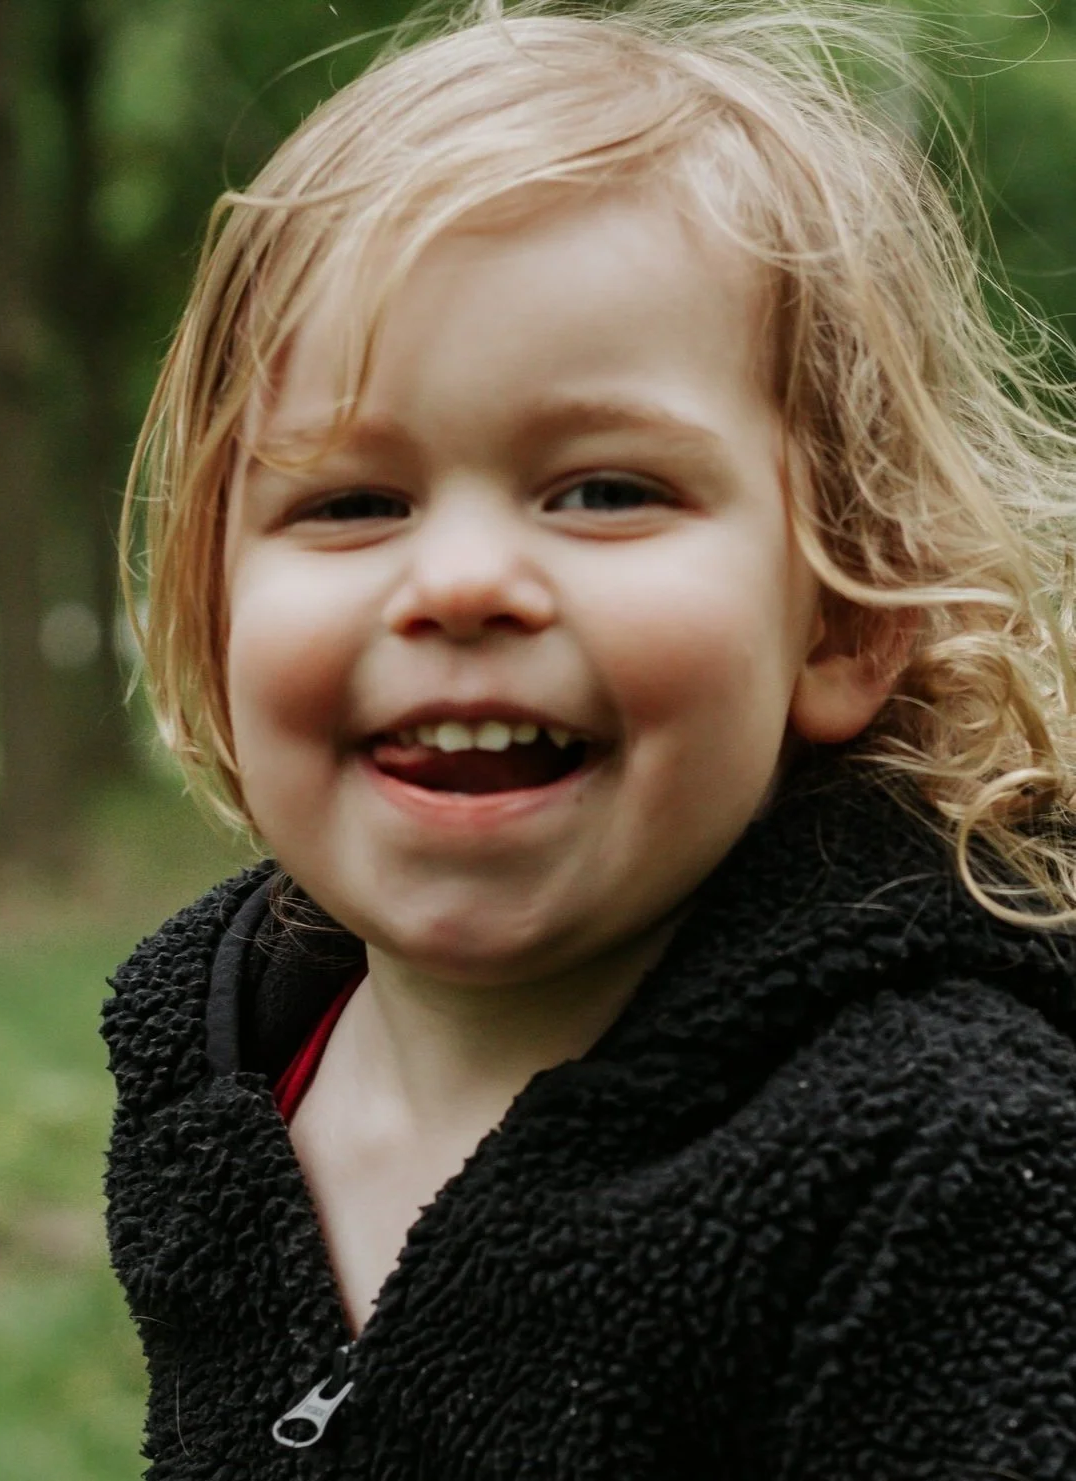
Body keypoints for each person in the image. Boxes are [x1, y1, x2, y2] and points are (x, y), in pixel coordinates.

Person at [102, 1, 1076, 1476]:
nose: (462, 582)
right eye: (352, 502)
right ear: (211, 612)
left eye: (605, 490)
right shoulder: (224, 1072)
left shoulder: (948, 1160)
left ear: (842, 619)